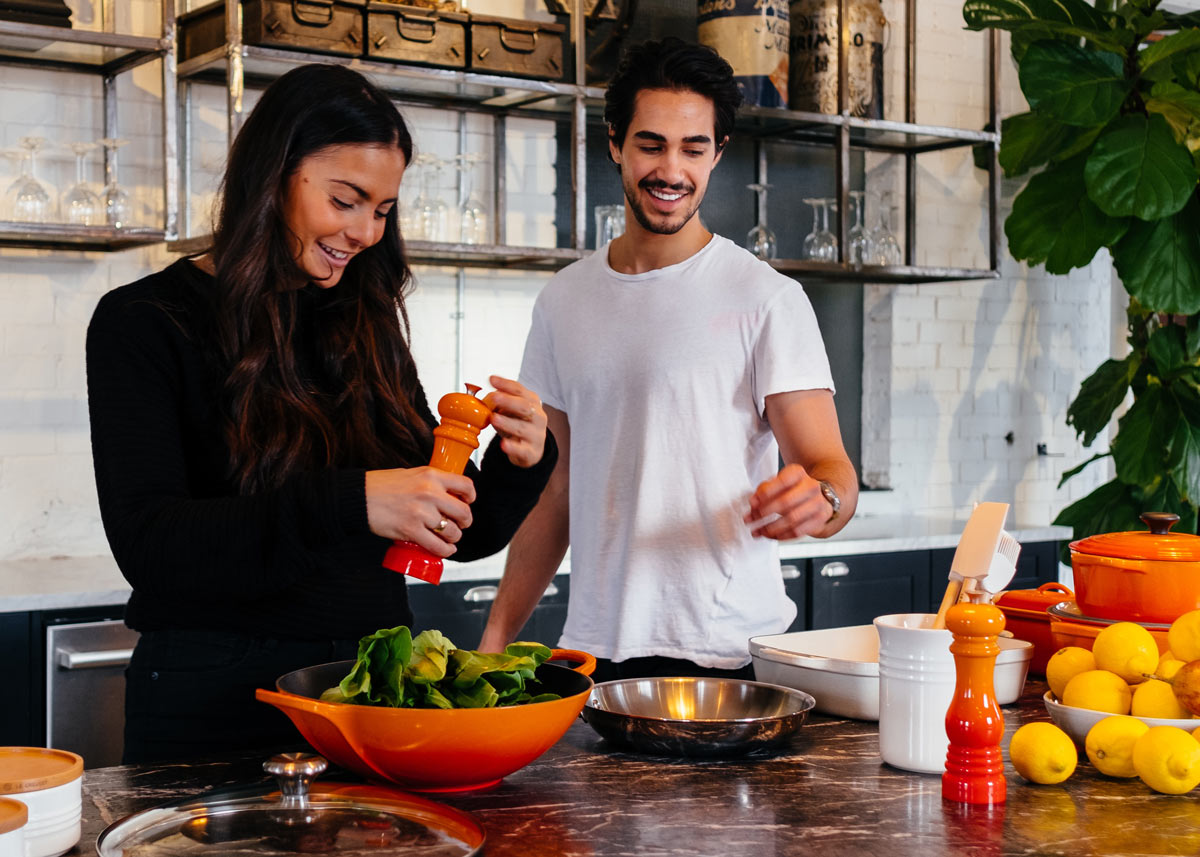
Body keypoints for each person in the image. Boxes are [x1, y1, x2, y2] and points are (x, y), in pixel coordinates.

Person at [85, 63, 557, 764]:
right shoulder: (144, 322)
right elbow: (152, 547)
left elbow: (450, 534)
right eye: (347, 199)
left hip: (371, 700)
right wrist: (354, 502)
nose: (366, 231)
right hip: (211, 709)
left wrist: (519, 462)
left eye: (383, 209)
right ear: (275, 174)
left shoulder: (365, 321)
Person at [478, 37, 858, 682]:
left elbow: (832, 474)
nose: (672, 170)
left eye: (693, 148)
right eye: (651, 145)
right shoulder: (565, 299)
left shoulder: (767, 298)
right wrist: (493, 641)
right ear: (615, 145)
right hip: (594, 655)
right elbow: (555, 490)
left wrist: (819, 501)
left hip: (729, 655)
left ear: (718, 154)